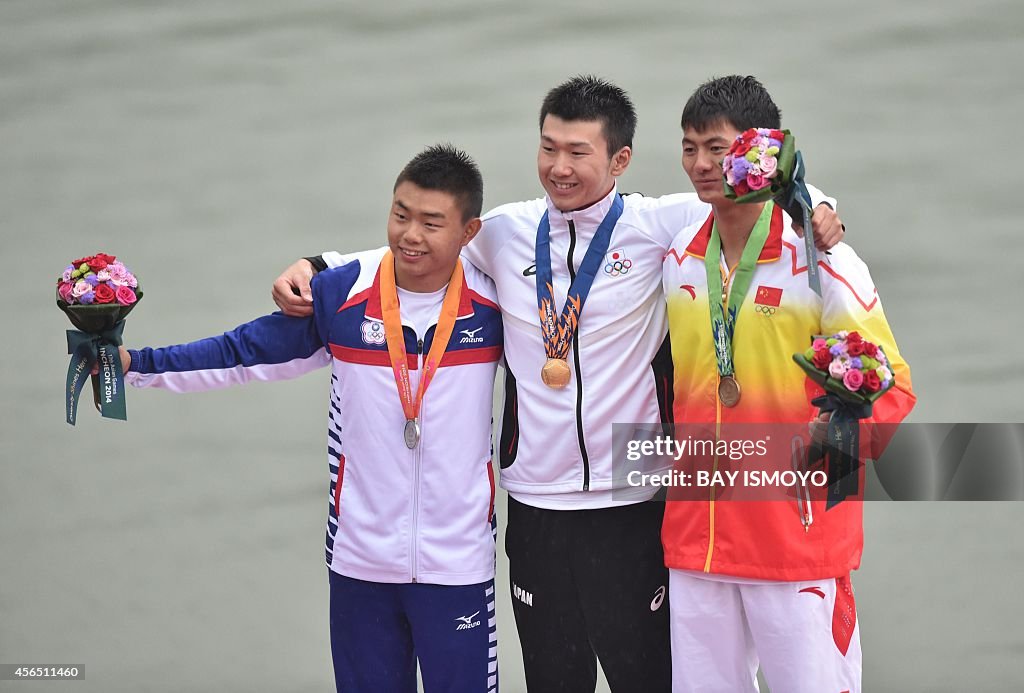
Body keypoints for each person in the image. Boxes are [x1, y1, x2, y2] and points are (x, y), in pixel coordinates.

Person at [272, 76, 845, 692]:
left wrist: (817, 204)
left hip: (632, 507)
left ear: (620, 159)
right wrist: (317, 265)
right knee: (552, 681)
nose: (559, 167)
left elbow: (752, 186)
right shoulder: (502, 233)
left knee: (647, 680)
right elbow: (418, 244)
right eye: (548, 148)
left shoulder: (659, 225)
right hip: (537, 506)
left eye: (577, 152)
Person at [120, 145, 503, 693]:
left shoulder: (497, 303)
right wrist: (136, 366)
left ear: (469, 232)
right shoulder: (342, 293)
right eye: (400, 214)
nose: (410, 235)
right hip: (359, 560)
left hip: (460, 565)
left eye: (430, 222)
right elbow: (242, 353)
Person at [659, 75, 916, 692]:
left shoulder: (818, 261)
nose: (699, 164)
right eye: (689, 146)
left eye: (716, 148)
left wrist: (808, 478)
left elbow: (889, 387)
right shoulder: (680, 257)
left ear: (760, 152)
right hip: (699, 540)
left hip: (792, 542)